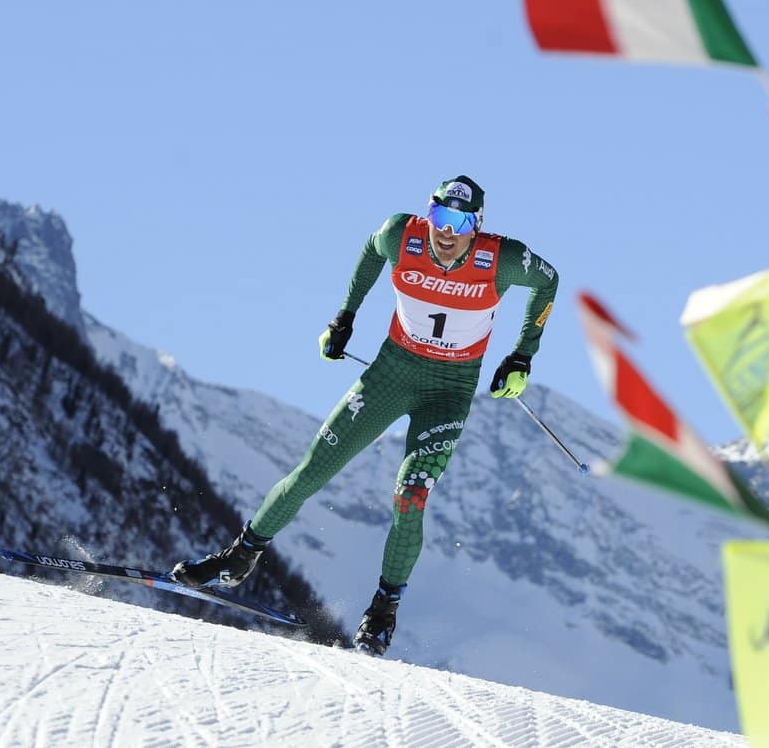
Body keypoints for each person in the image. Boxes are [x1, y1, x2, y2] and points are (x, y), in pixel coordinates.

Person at [172, 175, 560, 654]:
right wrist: (344, 317)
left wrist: (522, 355)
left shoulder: (500, 259)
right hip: (390, 375)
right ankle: (238, 558)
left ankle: (382, 611)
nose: (446, 230)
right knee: (311, 471)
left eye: (460, 222)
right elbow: (370, 251)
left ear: (476, 227)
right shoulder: (401, 234)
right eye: (440, 215)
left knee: (410, 495)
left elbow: (548, 281)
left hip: (449, 391)